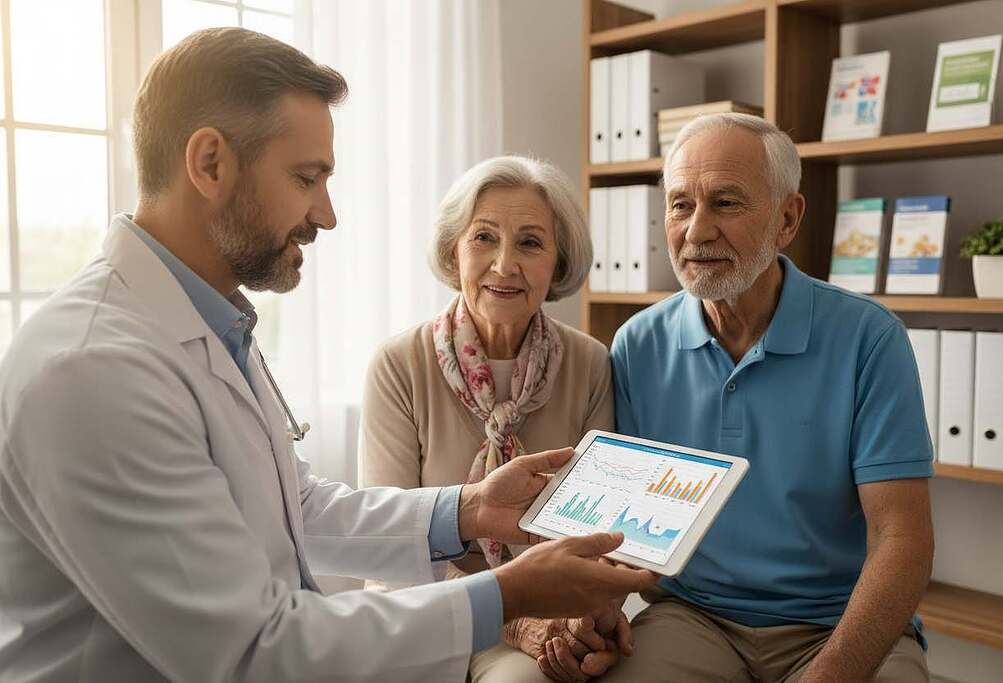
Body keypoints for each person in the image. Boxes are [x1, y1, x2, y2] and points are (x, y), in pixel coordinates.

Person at [0, 28, 658, 682]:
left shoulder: (209, 321)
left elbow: (298, 509)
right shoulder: (94, 372)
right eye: (306, 178)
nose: (327, 214)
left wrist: (468, 507)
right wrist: (509, 596)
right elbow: (255, 651)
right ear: (209, 164)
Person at [593, 113, 934, 682]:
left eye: (726, 203)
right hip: (693, 617)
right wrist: (590, 611)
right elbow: (627, 523)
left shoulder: (870, 338)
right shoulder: (637, 343)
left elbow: (904, 540)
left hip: (838, 620)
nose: (697, 231)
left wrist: (830, 674)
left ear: (787, 219)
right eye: (680, 205)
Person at [360, 155, 629, 682]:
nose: (505, 264)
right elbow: (388, 545)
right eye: (484, 238)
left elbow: (599, 531)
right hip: (424, 607)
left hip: (550, 610)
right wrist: (511, 614)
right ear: (453, 250)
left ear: (558, 262)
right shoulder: (399, 364)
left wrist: (588, 618)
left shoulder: (591, 362)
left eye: (530, 243)